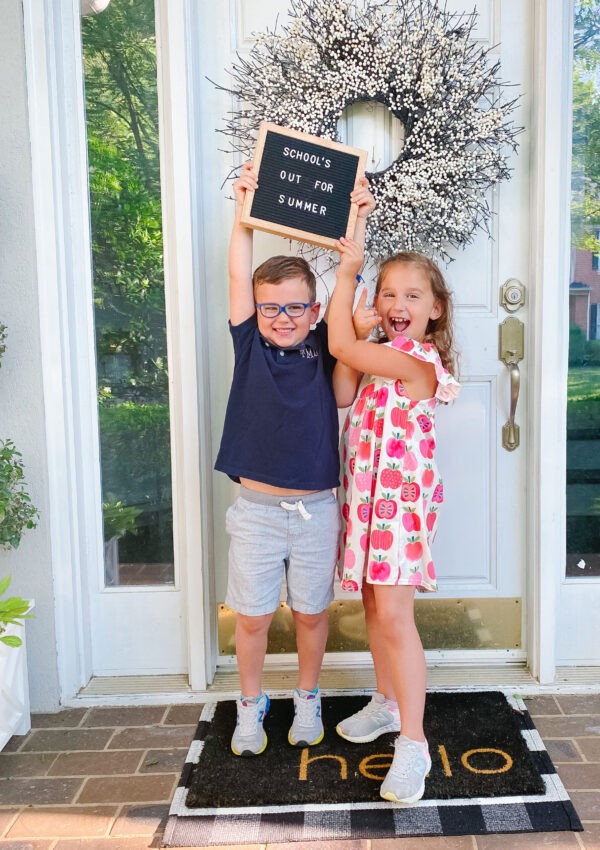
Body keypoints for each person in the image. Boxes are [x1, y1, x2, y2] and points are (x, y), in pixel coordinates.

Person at [215, 162, 375, 757]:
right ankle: (251, 703)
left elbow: (348, 277)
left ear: (314, 309)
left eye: (295, 308)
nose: (282, 318)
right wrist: (244, 213)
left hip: (315, 510)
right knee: (252, 618)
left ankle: (307, 697)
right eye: (270, 308)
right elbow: (238, 272)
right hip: (256, 512)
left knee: (310, 613)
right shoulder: (250, 345)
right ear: (255, 311)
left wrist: (357, 218)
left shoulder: (325, 348)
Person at [327, 237, 460, 803]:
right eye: (387, 294)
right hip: (366, 501)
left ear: (436, 309)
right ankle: (386, 702)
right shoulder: (375, 353)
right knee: (374, 605)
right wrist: (358, 338)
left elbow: (338, 343)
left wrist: (347, 273)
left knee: (397, 617)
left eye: (412, 295)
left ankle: (414, 742)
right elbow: (341, 390)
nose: (397, 303)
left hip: (399, 509)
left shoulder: (416, 362)